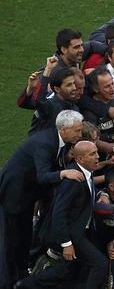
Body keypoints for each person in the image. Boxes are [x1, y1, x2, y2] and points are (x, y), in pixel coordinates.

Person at [0, 110, 84, 287]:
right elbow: (43, 176)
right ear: (63, 129)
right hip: (14, 194)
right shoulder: (45, 143)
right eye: (76, 131)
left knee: (23, 237)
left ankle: (21, 277)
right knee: (10, 239)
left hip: (26, 193)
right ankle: (6, 281)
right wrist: (63, 172)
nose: (80, 134)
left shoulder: (56, 141)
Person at [18, 141, 107, 288]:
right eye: (92, 154)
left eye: (97, 152)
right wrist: (66, 244)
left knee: (67, 271)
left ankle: (25, 284)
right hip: (70, 235)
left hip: (77, 232)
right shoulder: (73, 180)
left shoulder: (86, 173)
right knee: (100, 264)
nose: (97, 157)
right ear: (79, 159)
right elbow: (59, 213)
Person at [29, 60, 80, 134]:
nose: (74, 88)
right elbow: (38, 99)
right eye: (69, 85)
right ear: (57, 89)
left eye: (73, 84)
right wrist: (48, 70)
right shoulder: (50, 106)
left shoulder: (73, 107)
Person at [83, 66, 114, 144]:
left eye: (112, 84)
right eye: (107, 86)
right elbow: (92, 141)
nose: (112, 89)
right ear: (95, 88)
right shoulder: (89, 114)